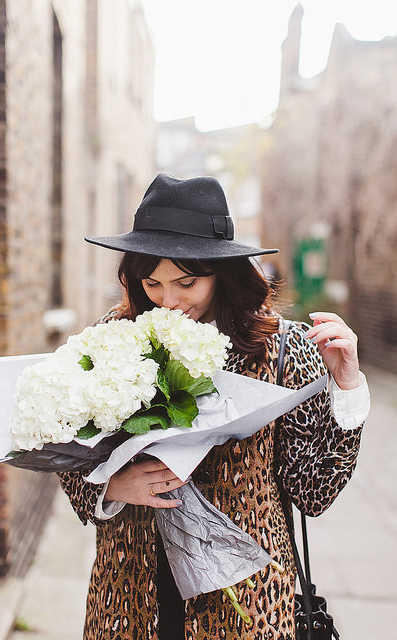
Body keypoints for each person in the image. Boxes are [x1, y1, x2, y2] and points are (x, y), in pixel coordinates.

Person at [59, 174, 370, 640]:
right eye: (152, 282)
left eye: (186, 282)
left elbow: (314, 493)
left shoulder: (282, 350)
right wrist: (111, 487)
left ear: (222, 273)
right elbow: (68, 457)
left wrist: (346, 387)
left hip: (247, 602)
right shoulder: (113, 339)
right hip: (130, 596)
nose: (168, 301)